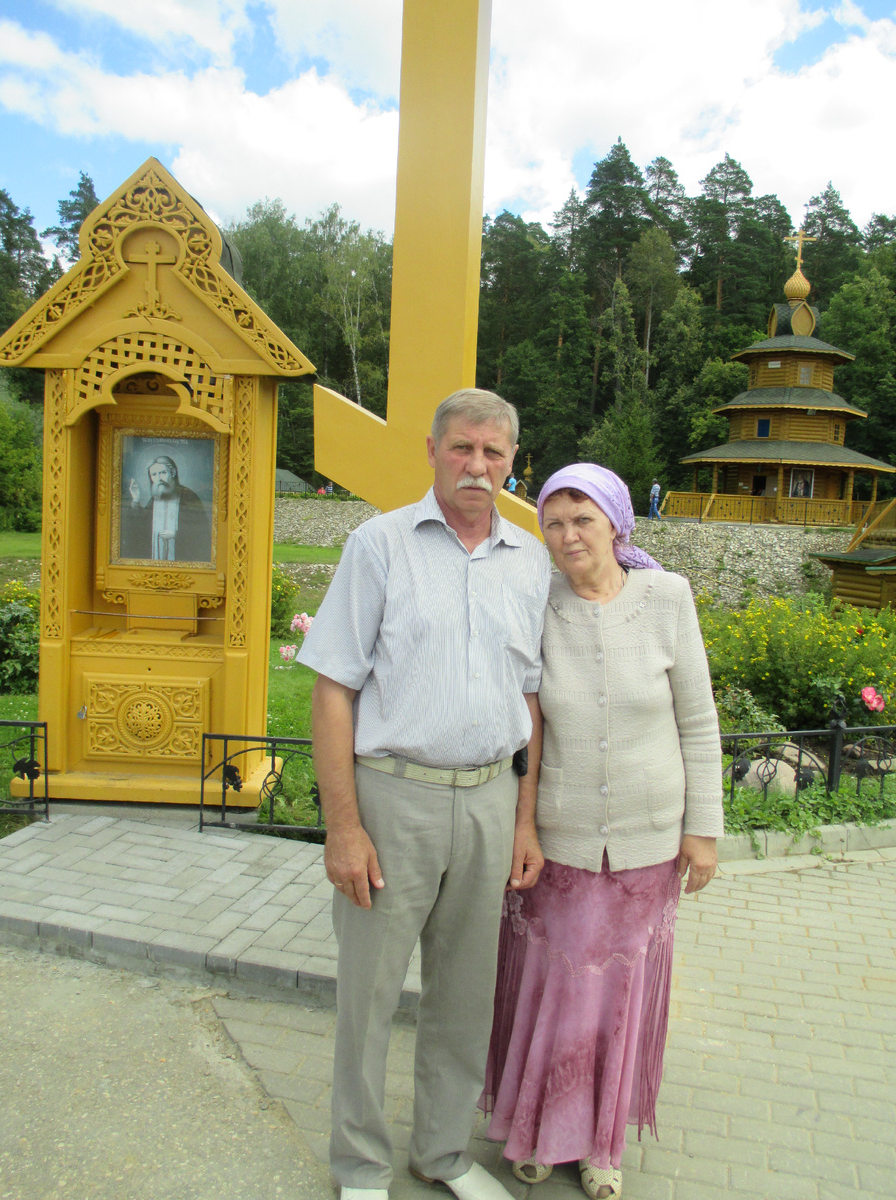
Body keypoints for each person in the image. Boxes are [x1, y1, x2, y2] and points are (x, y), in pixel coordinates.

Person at [297, 389, 553, 1200]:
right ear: (433, 450)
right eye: (462, 449)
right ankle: (361, 1166)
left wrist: (524, 818)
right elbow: (333, 687)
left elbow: (532, 699)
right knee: (369, 1000)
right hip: (392, 800)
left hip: (486, 801)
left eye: (494, 453)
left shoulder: (532, 560)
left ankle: (441, 1153)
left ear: (513, 461)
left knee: (465, 998)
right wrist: (344, 827)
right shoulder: (379, 546)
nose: (477, 466)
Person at [482, 463, 723, 1200]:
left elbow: (698, 718)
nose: (567, 536)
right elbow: (528, 727)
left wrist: (703, 828)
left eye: (582, 519)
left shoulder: (666, 597)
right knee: (551, 989)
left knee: (619, 994)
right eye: (553, 523)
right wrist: (522, 823)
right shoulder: (537, 601)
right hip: (560, 837)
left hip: (649, 842)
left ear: (617, 523)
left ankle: (600, 1148)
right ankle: (532, 1130)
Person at [122, 455, 211, 561]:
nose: (159, 478)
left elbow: (201, 532)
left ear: (173, 473)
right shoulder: (155, 499)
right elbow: (141, 527)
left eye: (163, 473)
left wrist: (176, 535)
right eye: (154, 475)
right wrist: (136, 500)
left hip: (182, 563)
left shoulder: (189, 497)